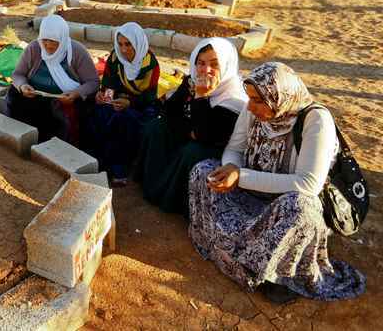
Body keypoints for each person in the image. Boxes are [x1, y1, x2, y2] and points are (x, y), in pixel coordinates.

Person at [188, 62, 366, 303]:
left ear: (280, 97)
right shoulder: (252, 110)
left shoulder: (316, 120)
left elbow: (308, 185)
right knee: (203, 172)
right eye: (249, 98)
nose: (250, 107)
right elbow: (235, 149)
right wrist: (231, 167)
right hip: (250, 192)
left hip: (284, 207)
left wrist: (241, 177)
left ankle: (278, 276)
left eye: (258, 101)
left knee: (301, 208)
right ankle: (226, 249)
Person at [137, 37, 247, 215]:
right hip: (190, 133)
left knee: (192, 151)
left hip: (216, 150)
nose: (206, 70)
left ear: (226, 65)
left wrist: (201, 96)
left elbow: (206, 134)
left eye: (214, 64)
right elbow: (170, 110)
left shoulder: (234, 100)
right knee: (156, 128)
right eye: (201, 63)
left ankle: (174, 202)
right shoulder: (191, 81)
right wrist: (189, 130)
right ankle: (152, 184)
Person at [86, 22, 160, 187]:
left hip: (141, 106)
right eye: (120, 44)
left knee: (122, 120)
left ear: (137, 43)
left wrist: (129, 102)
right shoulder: (115, 57)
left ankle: (120, 170)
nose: (124, 49)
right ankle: (100, 161)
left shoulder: (150, 64)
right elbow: (108, 84)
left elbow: (149, 97)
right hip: (117, 100)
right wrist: (103, 95)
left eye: (128, 44)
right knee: (99, 111)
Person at [9, 14, 99, 145]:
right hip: (35, 99)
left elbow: (93, 82)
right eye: (45, 39)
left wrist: (76, 93)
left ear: (62, 38)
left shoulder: (77, 52)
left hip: (65, 102)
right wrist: (23, 86)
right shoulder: (34, 49)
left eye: (53, 41)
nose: (48, 45)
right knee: (14, 94)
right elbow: (17, 75)